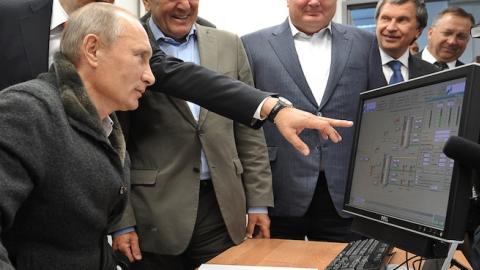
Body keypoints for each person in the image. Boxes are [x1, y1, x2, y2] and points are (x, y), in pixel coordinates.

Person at [0, 0, 353, 157]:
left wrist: (273, 109)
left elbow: (180, 75)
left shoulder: (123, 29)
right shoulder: (9, 16)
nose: (145, 73)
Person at [111, 0, 273, 268]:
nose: (184, 5)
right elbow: (117, 142)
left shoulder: (229, 44)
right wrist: (121, 221)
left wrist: (258, 203)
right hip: (153, 213)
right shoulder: (126, 44)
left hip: (221, 208)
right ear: (147, 2)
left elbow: (248, 130)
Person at [0, 3, 155, 269]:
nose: (150, 76)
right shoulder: (27, 111)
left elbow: (84, 241)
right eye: (139, 56)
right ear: (92, 49)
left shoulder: (106, 127)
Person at [241, 0, 385, 242]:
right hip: (279, 190)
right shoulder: (252, 45)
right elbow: (245, 123)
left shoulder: (364, 43)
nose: (315, 2)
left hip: (346, 196)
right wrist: (256, 203)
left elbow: (379, 117)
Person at [375, 0, 438, 85]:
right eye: (385, 18)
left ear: (418, 31)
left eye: (402, 20)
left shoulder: (432, 74)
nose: (391, 28)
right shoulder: (355, 68)